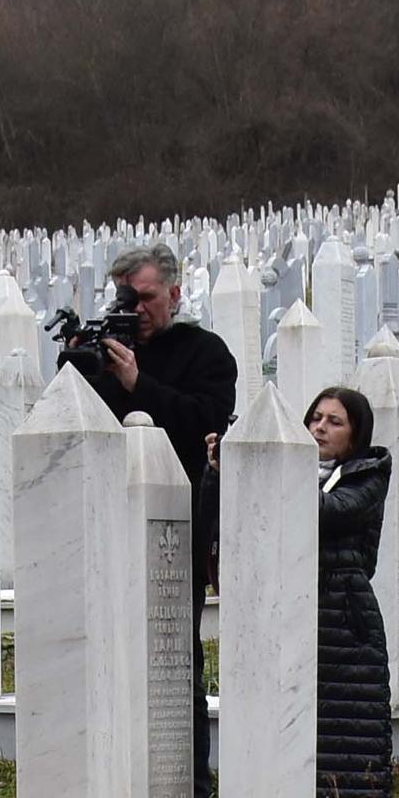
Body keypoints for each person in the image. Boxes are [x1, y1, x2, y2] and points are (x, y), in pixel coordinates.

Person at [73, 240, 238, 587]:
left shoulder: (206, 351)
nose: (137, 311)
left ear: (174, 294)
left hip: (178, 516)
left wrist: (138, 384)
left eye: (146, 298)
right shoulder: (107, 351)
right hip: (110, 509)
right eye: (127, 300)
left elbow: (207, 422)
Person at [307, 385, 392, 798]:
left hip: (344, 620)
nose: (320, 428)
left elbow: (329, 514)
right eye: (315, 418)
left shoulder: (367, 475)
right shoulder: (305, 471)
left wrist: (274, 467)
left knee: (345, 732)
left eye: (334, 421)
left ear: (356, 434)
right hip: (301, 614)